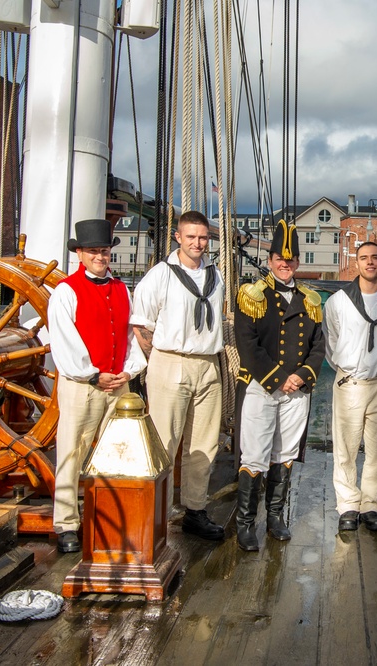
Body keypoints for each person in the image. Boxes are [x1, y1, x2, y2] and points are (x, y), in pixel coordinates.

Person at [47, 218, 147, 553]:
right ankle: (66, 523)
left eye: (104, 251)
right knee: (72, 452)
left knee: (115, 455)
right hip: (83, 386)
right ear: (80, 254)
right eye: (94, 251)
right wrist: (92, 374)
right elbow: (64, 341)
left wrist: (128, 372)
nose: (100, 257)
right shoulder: (65, 292)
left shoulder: (121, 289)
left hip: (117, 384)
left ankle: (106, 517)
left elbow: (130, 338)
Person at [131, 210, 226, 541]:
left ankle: (194, 510)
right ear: (178, 237)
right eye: (191, 237)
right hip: (171, 361)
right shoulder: (160, 275)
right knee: (164, 441)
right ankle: (155, 511)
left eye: (202, 237)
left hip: (208, 364)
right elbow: (142, 326)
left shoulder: (216, 276)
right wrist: (158, 360)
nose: (197, 243)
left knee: (204, 444)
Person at [233, 220, 326, 551]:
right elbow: (247, 344)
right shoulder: (252, 295)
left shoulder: (310, 300)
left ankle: (274, 518)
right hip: (262, 385)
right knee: (255, 453)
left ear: (297, 263)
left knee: (284, 453)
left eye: (290, 261)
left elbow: (318, 346)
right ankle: (245, 523)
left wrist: (302, 375)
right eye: (278, 260)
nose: (284, 265)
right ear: (270, 260)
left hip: (296, 390)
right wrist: (278, 377)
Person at [324, 241, 377, 532]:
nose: (370, 263)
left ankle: (371, 504)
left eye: (375, 258)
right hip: (350, 382)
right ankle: (348, 504)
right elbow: (331, 342)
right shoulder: (337, 302)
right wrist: (350, 369)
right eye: (364, 258)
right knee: (346, 448)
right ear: (356, 263)